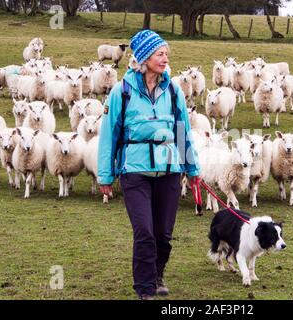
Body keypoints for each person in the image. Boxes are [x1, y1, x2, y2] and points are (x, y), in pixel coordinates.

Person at [97, 30, 201, 300]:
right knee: (144, 232)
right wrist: (105, 175)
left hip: (169, 170)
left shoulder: (174, 90)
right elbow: (109, 135)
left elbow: (182, 131)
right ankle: (145, 290)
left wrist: (192, 169)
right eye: (159, 54)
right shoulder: (122, 92)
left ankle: (157, 275)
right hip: (135, 172)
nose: (165, 58)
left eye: (166, 53)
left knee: (163, 234)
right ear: (144, 58)